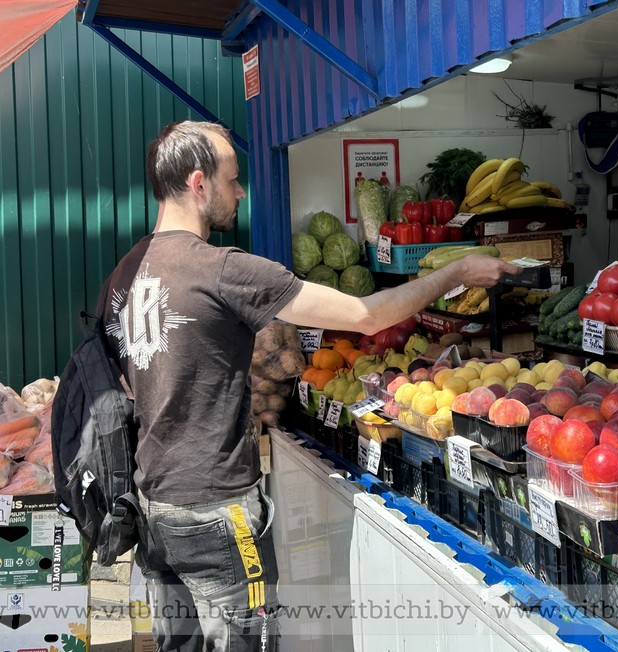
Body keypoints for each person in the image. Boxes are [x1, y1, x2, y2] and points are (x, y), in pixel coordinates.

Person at [97, 120, 522, 652]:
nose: (241, 191)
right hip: (219, 514)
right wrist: (455, 272)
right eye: (233, 179)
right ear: (199, 183)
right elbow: (367, 315)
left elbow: (127, 382)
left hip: (156, 507)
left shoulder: (124, 274)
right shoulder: (224, 270)